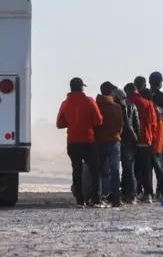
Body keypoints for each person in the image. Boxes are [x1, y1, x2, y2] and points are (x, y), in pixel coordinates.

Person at [56, 77, 104, 207]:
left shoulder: (65, 103)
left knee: (76, 170)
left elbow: (59, 124)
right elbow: (98, 121)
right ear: (82, 88)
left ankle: (80, 200)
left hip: (72, 141)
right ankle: (96, 199)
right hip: (88, 141)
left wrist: (72, 123)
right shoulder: (89, 101)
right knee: (95, 170)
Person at [94, 82, 124, 207]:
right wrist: (116, 134)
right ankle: (116, 199)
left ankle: (98, 198)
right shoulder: (116, 107)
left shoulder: (96, 106)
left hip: (99, 142)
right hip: (113, 141)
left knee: (99, 171)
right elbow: (120, 125)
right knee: (115, 171)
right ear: (111, 92)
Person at [127, 83, 157, 203]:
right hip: (146, 139)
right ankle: (148, 193)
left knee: (132, 168)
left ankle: (134, 192)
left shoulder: (127, 102)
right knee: (147, 168)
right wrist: (153, 139)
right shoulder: (148, 103)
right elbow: (153, 123)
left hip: (130, 140)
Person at [140, 88, 163, 201]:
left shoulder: (147, 108)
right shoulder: (161, 110)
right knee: (160, 169)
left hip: (149, 142)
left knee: (147, 169)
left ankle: (148, 194)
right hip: (159, 144)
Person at [113, 86, 140, 204]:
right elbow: (137, 125)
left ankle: (124, 194)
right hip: (130, 141)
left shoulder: (116, 107)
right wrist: (136, 139)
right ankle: (132, 195)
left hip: (118, 140)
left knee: (116, 169)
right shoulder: (132, 106)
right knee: (129, 169)